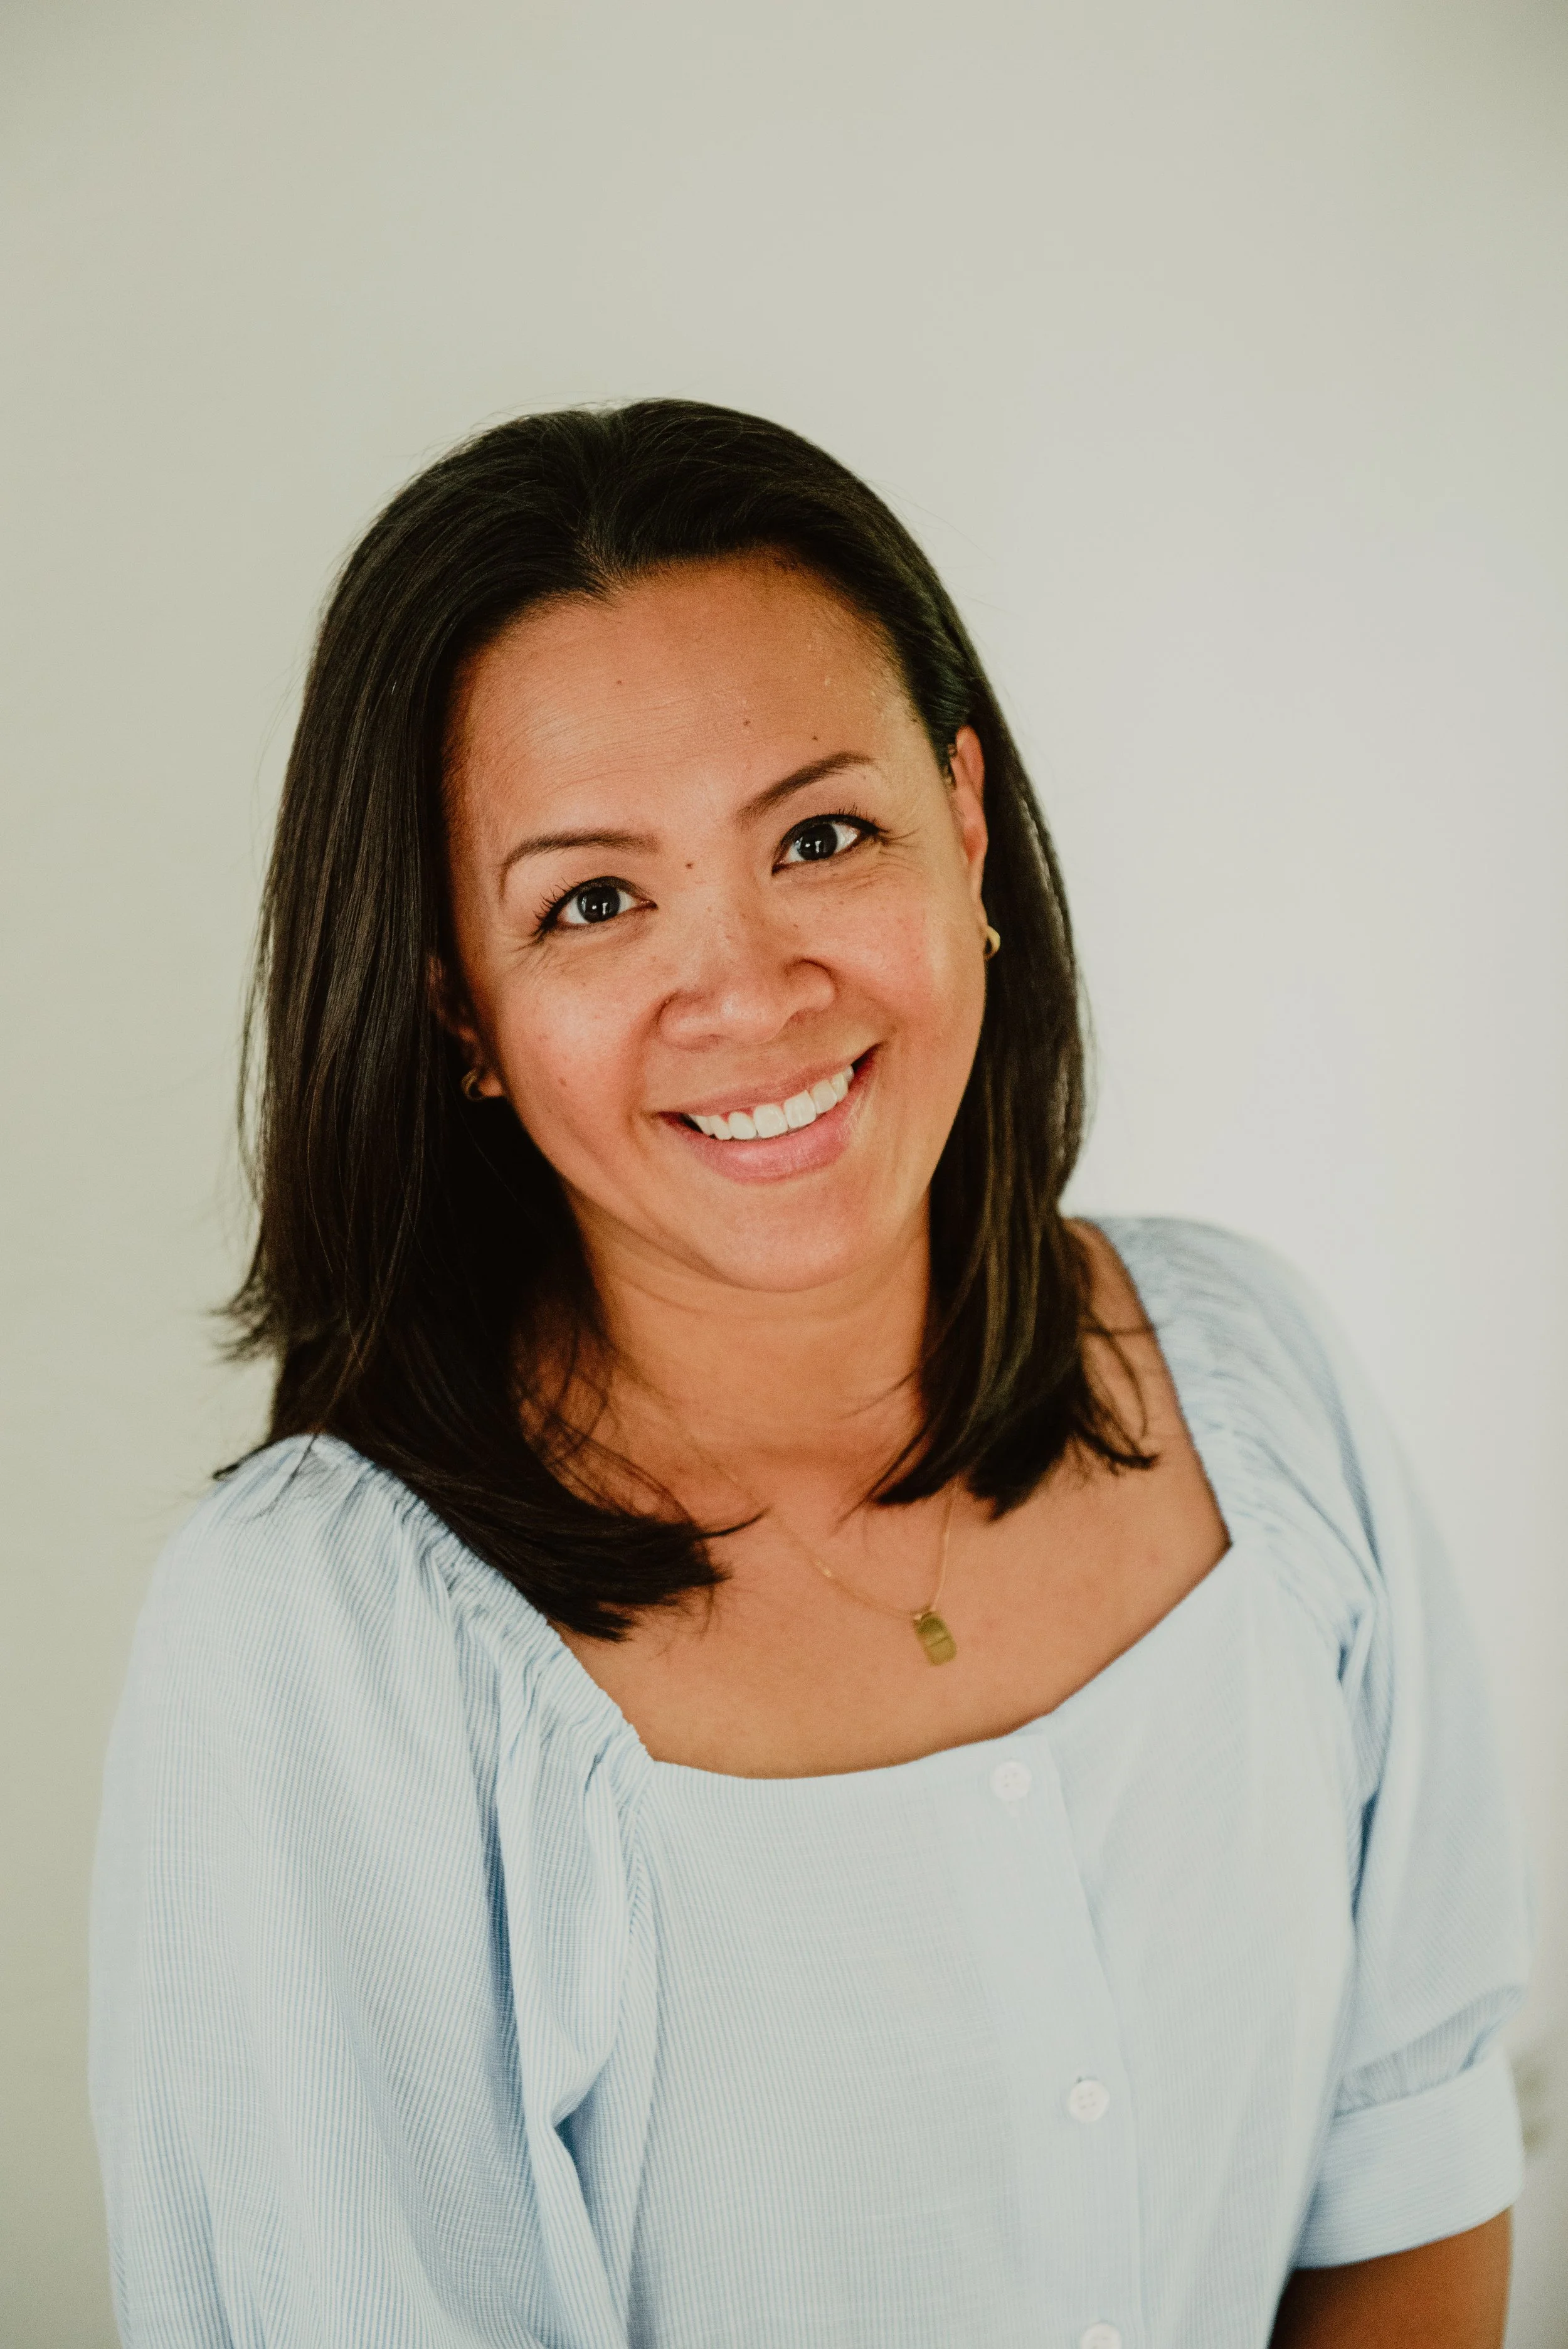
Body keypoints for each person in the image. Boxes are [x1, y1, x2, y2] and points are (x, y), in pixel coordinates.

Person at [91, 400, 1531, 2348]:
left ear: (964, 827)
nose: (750, 989)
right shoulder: (323, 1644)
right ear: (461, 1009)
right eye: (592, 901)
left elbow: (1411, 2159)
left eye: (821, 834)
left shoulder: (1252, 1378)